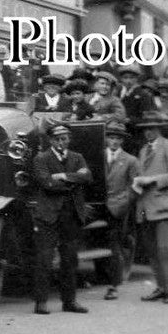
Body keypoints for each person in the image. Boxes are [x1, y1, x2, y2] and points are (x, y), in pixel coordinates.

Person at [29, 123, 93, 314]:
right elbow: (46, 182)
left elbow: (87, 177)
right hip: (48, 216)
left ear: (69, 139)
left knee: (70, 259)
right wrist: (73, 181)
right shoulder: (41, 158)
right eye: (57, 139)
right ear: (50, 140)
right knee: (44, 259)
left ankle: (69, 301)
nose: (61, 142)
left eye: (64, 138)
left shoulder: (77, 157)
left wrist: (63, 176)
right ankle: (41, 302)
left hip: (71, 215)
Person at [132, 113, 168, 304]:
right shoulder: (143, 151)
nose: (148, 132)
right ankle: (162, 287)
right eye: (145, 129)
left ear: (159, 128)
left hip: (164, 206)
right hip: (146, 207)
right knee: (152, 251)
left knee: (165, 249)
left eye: (152, 128)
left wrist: (152, 180)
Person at [101, 121, 140, 300]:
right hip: (100, 206)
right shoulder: (99, 156)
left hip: (118, 207)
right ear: (106, 139)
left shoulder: (130, 160)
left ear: (122, 141)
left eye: (117, 138)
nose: (114, 142)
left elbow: (136, 187)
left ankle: (113, 286)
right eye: (111, 137)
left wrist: (123, 203)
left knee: (114, 245)